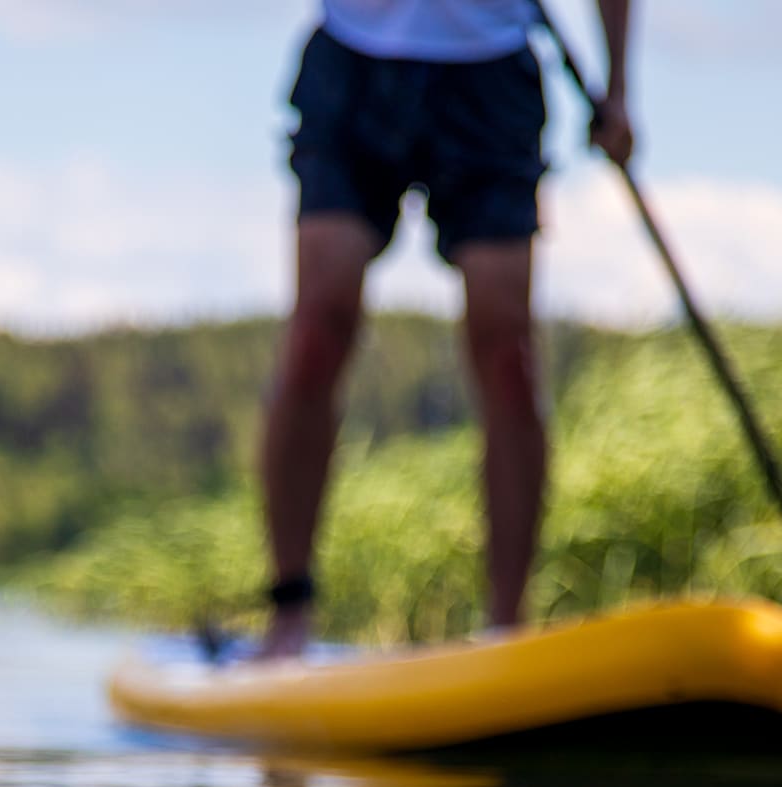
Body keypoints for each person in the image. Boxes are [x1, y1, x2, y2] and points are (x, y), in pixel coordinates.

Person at [258, 0, 634, 659]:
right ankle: (289, 613)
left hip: (488, 77)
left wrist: (620, 87)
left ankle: (505, 628)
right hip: (354, 59)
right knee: (319, 325)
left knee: (509, 350)